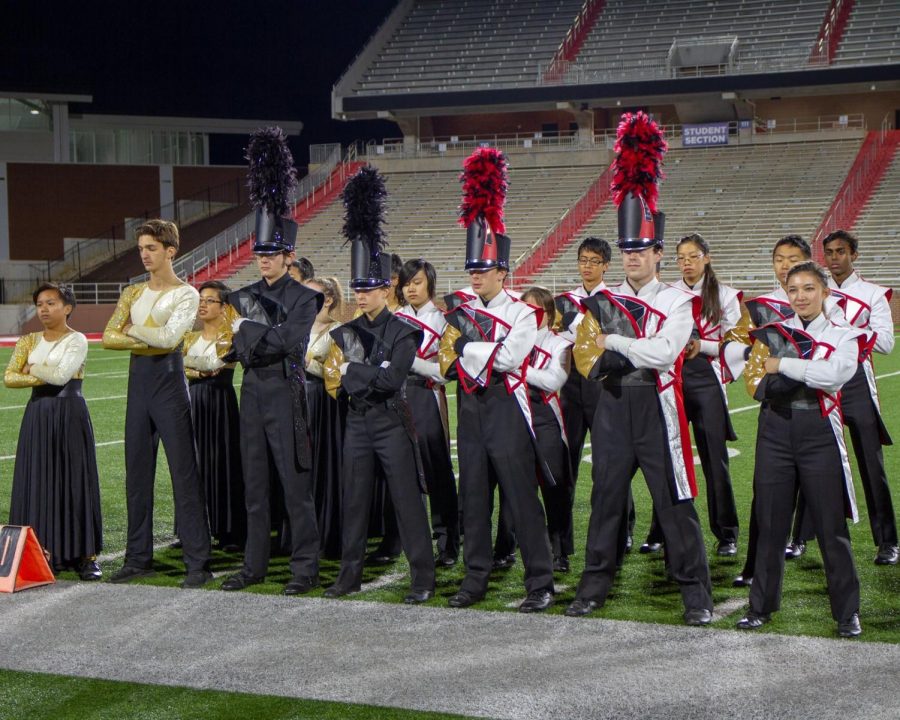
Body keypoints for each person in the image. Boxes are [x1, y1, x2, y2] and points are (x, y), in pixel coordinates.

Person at [566, 112, 712, 625]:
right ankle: (592, 589)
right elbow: (583, 352)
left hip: (656, 404)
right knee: (606, 499)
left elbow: (665, 353)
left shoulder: (675, 301)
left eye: (639, 249)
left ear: (657, 253)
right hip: (611, 406)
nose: (630, 257)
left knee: (673, 500)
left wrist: (614, 340)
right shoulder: (600, 300)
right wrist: (611, 342)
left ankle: (696, 594)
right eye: (624, 249)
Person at [439, 146, 555, 613]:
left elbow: (510, 359)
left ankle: (540, 582)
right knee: (473, 498)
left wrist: (467, 348)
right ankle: (475, 579)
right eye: (471, 269)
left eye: (483, 269)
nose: (475, 275)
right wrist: (467, 350)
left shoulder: (525, 312)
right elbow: (444, 354)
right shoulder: (460, 310)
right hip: (471, 410)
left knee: (521, 499)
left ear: (503, 272)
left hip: (507, 409)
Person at [323, 165, 435, 602]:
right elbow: (337, 377)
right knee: (354, 503)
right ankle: (348, 577)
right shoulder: (345, 332)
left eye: (368, 289)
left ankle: (422, 579)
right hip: (357, 425)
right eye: (357, 289)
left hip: (391, 423)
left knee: (408, 503)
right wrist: (357, 374)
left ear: (387, 290)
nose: (361, 296)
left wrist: (356, 372)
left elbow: (390, 381)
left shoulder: (405, 332)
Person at [736, 261, 864, 637]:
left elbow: (836, 375)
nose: (801, 296)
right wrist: (801, 367)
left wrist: (783, 365)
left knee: (830, 526)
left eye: (809, 288)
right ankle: (761, 606)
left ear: (824, 292)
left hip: (818, 432)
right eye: (794, 290)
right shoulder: (773, 331)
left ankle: (846, 612)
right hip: (774, 430)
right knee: (770, 523)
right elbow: (756, 380)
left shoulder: (844, 334)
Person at [221, 127, 323, 595]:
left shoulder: (305, 298)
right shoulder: (241, 295)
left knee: (295, 488)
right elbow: (234, 342)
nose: (263, 261)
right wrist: (255, 337)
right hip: (253, 393)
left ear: (288, 255)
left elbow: (290, 343)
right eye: (259, 253)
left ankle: (305, 568)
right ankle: (254, 566)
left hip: (286, 392)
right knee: (255, 486)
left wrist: (251, 334)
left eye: (272, 254)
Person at [721, 234, 842, 585]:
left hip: (819, 406)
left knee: (819, 491)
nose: (785, 265)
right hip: (775, 406)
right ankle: (756, 567)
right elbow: (735, 344)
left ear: (807, 263)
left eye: (792, 258)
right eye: (778, 259)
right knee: (767, 493)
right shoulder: (759, 309)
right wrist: (755, 361)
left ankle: (802, 540)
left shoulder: (826, 305)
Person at [102, 219, 212, 589]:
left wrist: (132, 331)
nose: (144, 255)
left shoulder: (186, 294)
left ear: (170, 251)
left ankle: (198, 563)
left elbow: (168, 341)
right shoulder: (132, 293)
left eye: (151, 248)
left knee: (184, 475)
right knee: (136, 475)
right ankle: (138, 558)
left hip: (169, 383)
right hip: (140, 386)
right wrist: (146, 337)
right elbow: (106, 337)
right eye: (141, 248)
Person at [643, 233, 742, 557]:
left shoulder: (725, 295)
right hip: (672, 376)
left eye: (693, 256)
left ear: (707, 257)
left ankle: (726, 533)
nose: (687, 263)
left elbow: (739, 343)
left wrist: (705, 346)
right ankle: (661, 530)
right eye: (681, 257)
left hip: (706, 378)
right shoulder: (667, 293)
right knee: (668, 456)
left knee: (715, 459)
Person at [5, 283, 102, 581]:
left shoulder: (78, 340)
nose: (44, 309)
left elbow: (61, 376)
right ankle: (41, 551)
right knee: (38, 478)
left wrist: (31, 368)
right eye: (39, 304)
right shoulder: (28, 340)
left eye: (51, 303)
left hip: (70, 412)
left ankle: (85, 555)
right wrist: (41, 369)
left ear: (68, 307)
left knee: (74, 479)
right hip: (38, 414)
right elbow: (9, 377)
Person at [555, 236, 635, 565]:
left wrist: (582, 336)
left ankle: (623, 528)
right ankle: (560, 542)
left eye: (594, 261)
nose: (587, 266)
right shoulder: (563, 301)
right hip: (571, 386)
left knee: (610, 462)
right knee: (565, 463)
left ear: (606, 266)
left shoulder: (614, 301)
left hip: (603, 385)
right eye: (582, 260)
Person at [821, 229, 897, 565]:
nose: (835, 258)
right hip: (823, 384)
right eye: (830, 253)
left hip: (856, 385)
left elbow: (885, 343)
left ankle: (888, 542)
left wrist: (845, 330)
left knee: (871, 464)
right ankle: (805, 539)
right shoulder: (817, 292)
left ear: (854, 254)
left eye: (841, 251)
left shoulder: (873, 294)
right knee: (816, 464)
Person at [395, 258, 460, 567]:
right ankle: (412, 542)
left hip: (428, 396)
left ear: (430, 284)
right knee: (405, 472)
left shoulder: (445, 321)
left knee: (436, 470)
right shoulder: (395, 318)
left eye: (417, 281)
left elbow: (446, 371)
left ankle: (448, 540)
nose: (411, 287)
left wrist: (415, 364)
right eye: (407, 282)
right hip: (398, 397)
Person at [182, 280, 246, 552]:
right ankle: (195, 527)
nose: (203, 305)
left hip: (220, 404)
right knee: (193, 464)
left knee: (222, 463)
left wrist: (188, 366)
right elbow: (187, 367)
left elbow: (214, 366)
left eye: (210, 300)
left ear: (224, 306)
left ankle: (228, 528)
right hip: (193, 402)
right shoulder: (189, 337)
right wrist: (194, 370)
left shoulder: (230, 338)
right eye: (200, 299)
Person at [521, 285, 574, 572]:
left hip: (545, 417)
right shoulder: (514, 340)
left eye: (538, 311)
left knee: (554, 486)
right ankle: (515, 546)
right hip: (517, 414)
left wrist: (518, 369)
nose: (532, 317)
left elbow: (554, 381)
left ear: (550, 314)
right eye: (526, 311)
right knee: (519, 487)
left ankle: (560, 550)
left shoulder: (560, 344)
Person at [304, 275, 345, 559]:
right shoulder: (297, 326)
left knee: (322, 466)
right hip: (296, 400)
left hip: (322, 402)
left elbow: (337, 373)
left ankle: (325, 535)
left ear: (328, 299)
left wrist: (307, 363)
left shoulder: (339, 330)